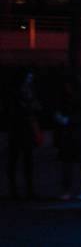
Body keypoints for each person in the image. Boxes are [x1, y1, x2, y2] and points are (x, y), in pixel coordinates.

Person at [56, 73, 81, 201]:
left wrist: (68, 120)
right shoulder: (70, 95)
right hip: (71, 132)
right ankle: (68, 190)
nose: (67, 88)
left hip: (80, 132)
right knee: (68, 164)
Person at [6, 70, 41, 200]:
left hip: (25, 129)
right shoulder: (16, 94)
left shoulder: (28, 92)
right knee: (16, 160)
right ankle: (16, 190)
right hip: (18, 129)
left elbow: (35, 106)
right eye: (28, 78)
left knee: (25, 160)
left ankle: (27, 190)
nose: (30, 81)